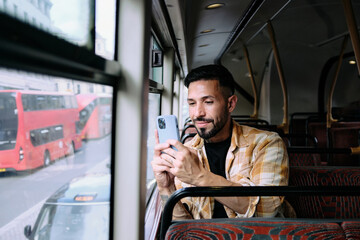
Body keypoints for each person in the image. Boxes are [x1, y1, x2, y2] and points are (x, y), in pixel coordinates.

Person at [151, 64, 293, 219]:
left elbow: (266, 213)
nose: (198, 113)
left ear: (230, 104)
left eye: (208, 102)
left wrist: (199, 176)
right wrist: (166, 188)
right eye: (192, 103)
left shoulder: (267, 143)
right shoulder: (185, 153)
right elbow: (182, 227)